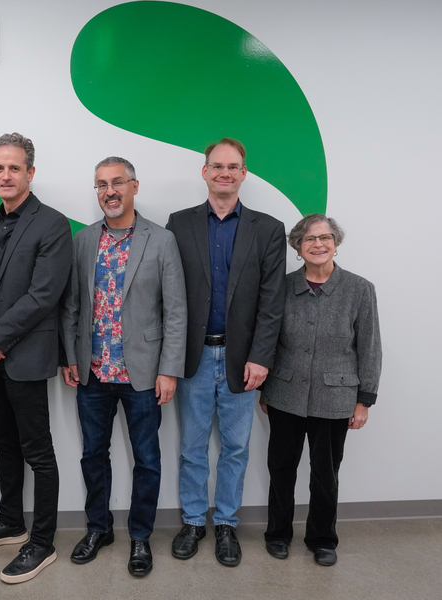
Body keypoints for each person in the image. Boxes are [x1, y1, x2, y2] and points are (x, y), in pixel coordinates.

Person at [61, 157, 187, 577]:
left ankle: (139, 536)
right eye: (101, 184)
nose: (109, 191)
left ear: (135, 187)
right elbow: (72, 306)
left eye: (117, 182)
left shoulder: (161, 240)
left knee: (147, 458)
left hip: (143, 374)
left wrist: (169, 370)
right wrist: (69, 357)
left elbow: (176, 311)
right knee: (93, 455)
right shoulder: (83, 241)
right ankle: (99, 528)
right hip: (93, 371)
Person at [166, 138, 286, 567]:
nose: (224, 173)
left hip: (242, 360)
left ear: (244, 173)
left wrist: (261, 356)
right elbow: (171, 294)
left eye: (233, 167)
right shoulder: (178, 224)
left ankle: (228, 526)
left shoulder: (268, 229)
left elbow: (272, 303)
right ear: (204, 171)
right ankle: (195, 521)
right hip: (193, 358)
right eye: (217, 165)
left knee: (236, 448)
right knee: (192, 446)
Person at [0, 132, 72, 584]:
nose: (5, 175)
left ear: (30, 172)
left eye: (14, 167)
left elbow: (43, 295)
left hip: (24, 357)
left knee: (38, 452)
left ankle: (42, 542)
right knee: (3, 443)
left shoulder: (52, 223)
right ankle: (11, 521)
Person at [259, 214, 381, 567]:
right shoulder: (280, 287)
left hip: (336, 398)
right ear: (298, 247)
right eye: (309, 239)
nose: (318, 244)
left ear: (336, 244)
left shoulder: (360, 289)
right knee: (281, 468)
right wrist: (266, 389)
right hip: (284, 395)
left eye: (325, 238)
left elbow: (370, 348)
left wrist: (365, 400)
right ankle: (278, 534)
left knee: (325, 473)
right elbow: (267, 341)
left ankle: (322, 539)